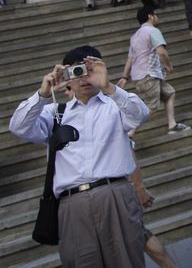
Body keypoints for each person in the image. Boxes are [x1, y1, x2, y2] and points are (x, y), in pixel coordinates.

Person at [9, 45, 150, 268]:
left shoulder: (115, 105)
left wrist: (108, 86)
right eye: (76, 71)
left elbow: (140, 115)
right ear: (66, 76)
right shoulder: (55, 113)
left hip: (115, 194)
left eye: (89, 70)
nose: (84, 78)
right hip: (72, 202)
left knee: (127, 261)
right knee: (81, 262)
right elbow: (18, 127)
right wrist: (43, 93)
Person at [59, 79, 180, 268]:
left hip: (116, 197)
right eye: (67, 89)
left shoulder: (111, 110)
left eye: (68, 90)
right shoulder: (62, 116)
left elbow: (131, 153)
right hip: (91, 202)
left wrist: (139, 188)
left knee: (137, 240)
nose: (67, 93)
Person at [120, 7, 190, 134]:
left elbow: (130, 58)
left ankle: (172, 125)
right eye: (155, 14)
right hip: (149, 75)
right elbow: (161, 52)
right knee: (151, 107)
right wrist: (168, 65)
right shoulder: (152, 31)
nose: (157, 17)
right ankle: (129, 131)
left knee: (169, 93)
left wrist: (125, 77)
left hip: (142, 76)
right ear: (150, 16)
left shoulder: (135, 37)